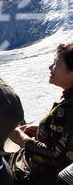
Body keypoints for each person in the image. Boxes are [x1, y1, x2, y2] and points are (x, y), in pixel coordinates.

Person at [8, 43, 73, 184]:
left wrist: (22, 139)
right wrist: (44, 131)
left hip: (44, 177)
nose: (50, 68)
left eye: (56, 64)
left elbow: (56, 156)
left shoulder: (68, 109)